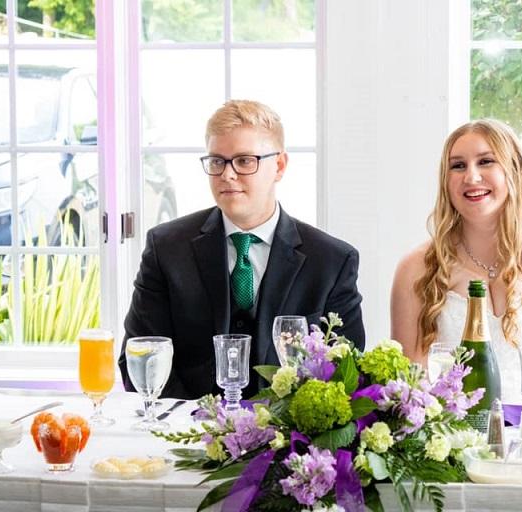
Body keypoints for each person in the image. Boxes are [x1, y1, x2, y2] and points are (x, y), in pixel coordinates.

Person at [119, 100, 365, 399]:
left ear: (279, 166)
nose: (227, 174)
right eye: (217, 162)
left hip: (287, 428)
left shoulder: (331, 261)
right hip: (186, 422)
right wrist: (195, 419)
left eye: (245, 161)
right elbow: (140, 358)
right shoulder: (166, 248)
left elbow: (346, 379)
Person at [391, 119, 522, 406]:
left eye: (486, 161)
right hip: (453, 432)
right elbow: (411, 381)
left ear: (515, 170)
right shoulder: (416, 269)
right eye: (458, 166)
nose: (471, 177)